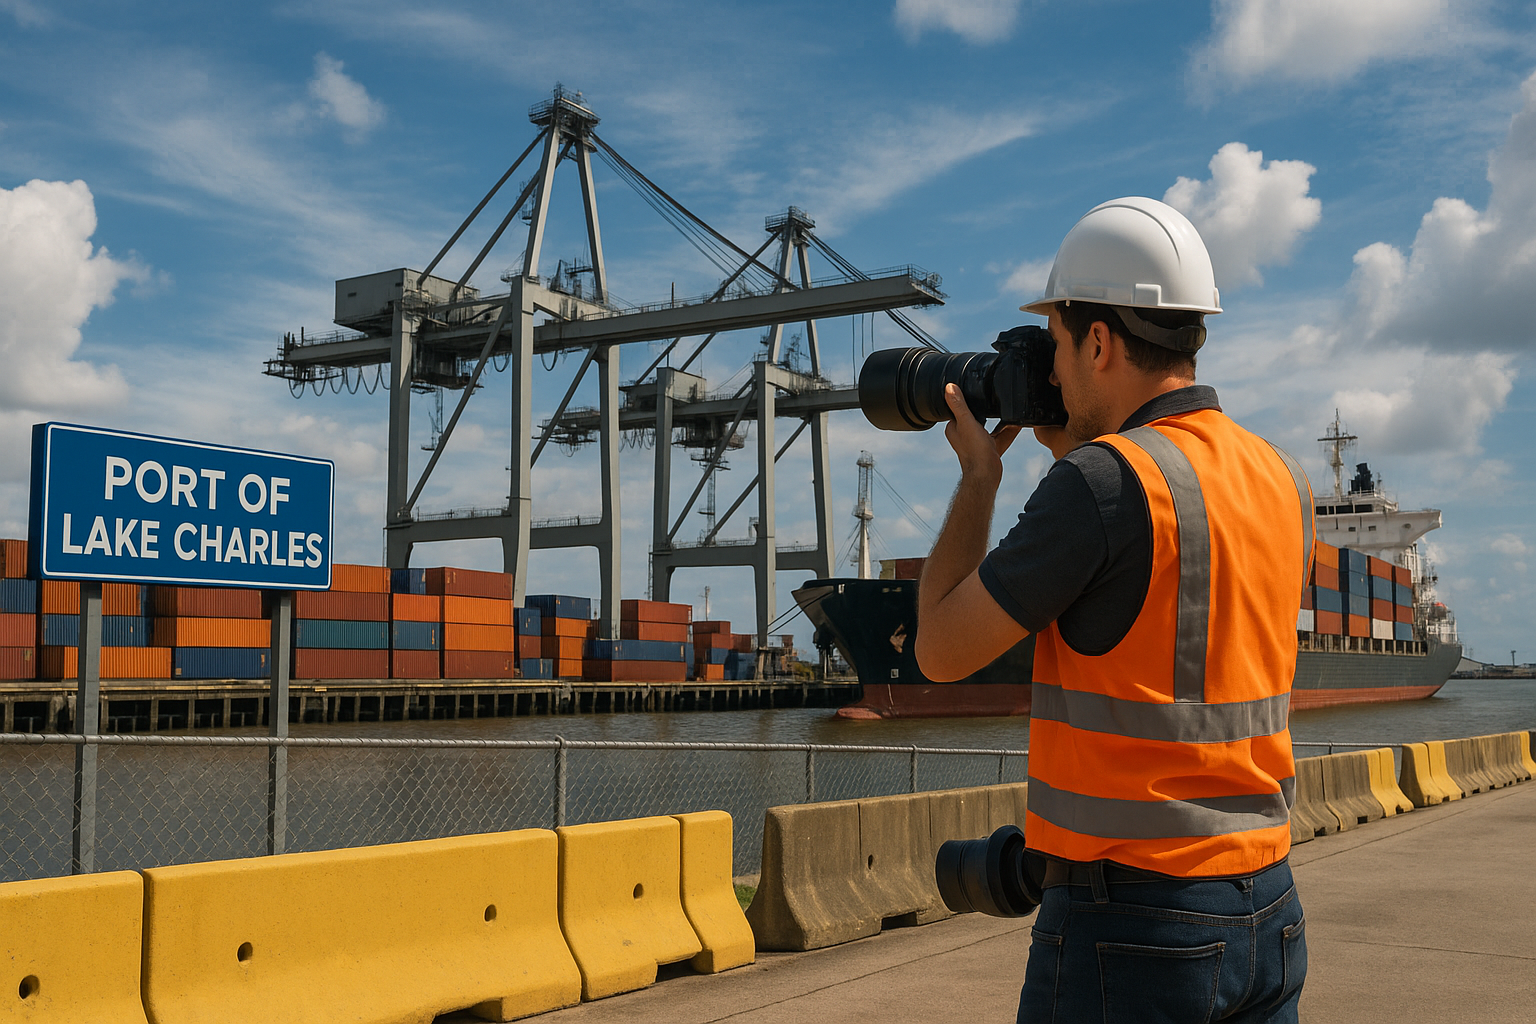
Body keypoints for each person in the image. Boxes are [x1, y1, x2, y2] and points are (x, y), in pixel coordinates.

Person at [914, 197, 1313, 1023]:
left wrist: (980, 479)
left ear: (1097, 342)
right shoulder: (1279, 476)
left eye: (1055, 346)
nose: (1050, 374)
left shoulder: (1101, 485)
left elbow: (940, 650)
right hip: (1267, 908)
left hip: (1136, 927)